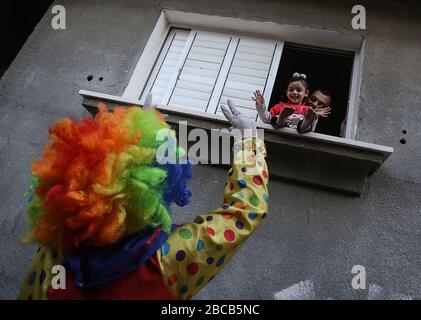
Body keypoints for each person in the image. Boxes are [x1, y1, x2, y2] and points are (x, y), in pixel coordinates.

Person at [18, 95, 269, 300]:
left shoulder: (56, 254)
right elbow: (245, 210)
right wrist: (249, 139)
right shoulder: (168, 259)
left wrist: (136, 135)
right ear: (158, 186)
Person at [254, 73, 331, 133]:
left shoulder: (308, 109)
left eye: (298, 90)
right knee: (276, 121)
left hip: (300, 130)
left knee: (306, 124)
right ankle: (282, 118)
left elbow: (311, 129)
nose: (294, 92)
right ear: (286, 92)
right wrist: (261, 105)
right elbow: (266, 119)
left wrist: (315, 115)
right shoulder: (280, 106)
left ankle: (307, 120)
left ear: (306, 93)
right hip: (280, 128)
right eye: (291, 90)